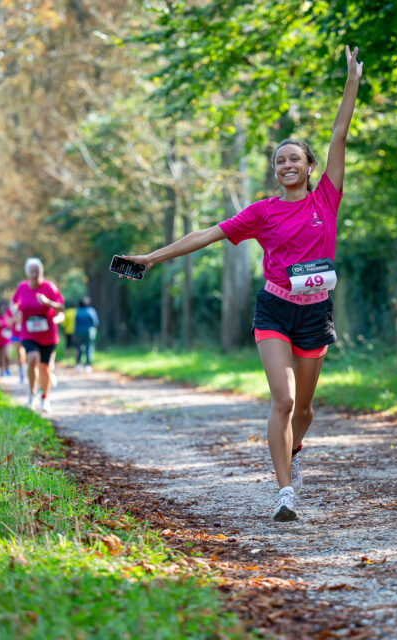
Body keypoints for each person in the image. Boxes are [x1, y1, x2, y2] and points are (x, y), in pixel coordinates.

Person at [121, 46, 363, 522]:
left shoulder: (326, 200)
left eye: (295, 158)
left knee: (306, 412)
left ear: (310, 166)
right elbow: (207, 235)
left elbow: (340, 133)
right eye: (280, 161)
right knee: (284, 399)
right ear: (276, 171)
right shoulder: (262, 212)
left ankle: (291, 454)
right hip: (274, 310)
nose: (287, 164)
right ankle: (284, 493)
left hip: (315, 312)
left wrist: (351, 80)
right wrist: (151, 257)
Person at [11, 258, 65, 412]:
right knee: (32, 358)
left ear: (41, 272)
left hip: (47, 334)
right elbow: (13, 302)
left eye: (37, 271)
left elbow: (61, 307)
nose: (34, 274)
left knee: (45, 368)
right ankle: (32, 394)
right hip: (28, 332)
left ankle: (45, 398)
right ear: (28, 273)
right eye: (31, 271)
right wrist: (15, 310)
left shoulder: (49, 287)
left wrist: (48, 302)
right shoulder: (22, 287)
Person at [73, 296, 99, 372]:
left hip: (79, 332)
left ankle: (78, 364)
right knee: (89, 348)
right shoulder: (91, 311)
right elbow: (95, 322)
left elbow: (75, 323)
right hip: (89, 332)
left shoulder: (77, 311)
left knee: (79, 348)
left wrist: (74, 333)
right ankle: (87, 365)